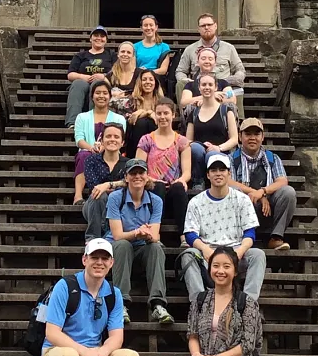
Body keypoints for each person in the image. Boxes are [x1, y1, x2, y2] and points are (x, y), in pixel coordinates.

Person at [180, 153, 267, 304]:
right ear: (208, 175)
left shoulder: (242, 199)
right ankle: (199, 303)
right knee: (188, 254)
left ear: (229, 173)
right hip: (208, 250)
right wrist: (205, 249)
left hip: (235, 249)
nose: (218, 173)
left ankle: (248, 303)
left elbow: (250, 233)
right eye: (213, 170)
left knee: (257, 255)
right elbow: (190, 234)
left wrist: (239, 252)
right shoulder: (196, 202)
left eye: (222, 169)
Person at [107, 158, 173, 324]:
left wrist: (148, 235)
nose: (137, 176)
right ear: (126, 177)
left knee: (156, 247)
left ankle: (158, 305)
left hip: (142, 251)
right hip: (120, 253)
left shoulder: (155, 201)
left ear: (147, 176)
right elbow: (117, 235)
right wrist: (137, 232)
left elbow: (155, 235)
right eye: (133, 173)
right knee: (122, 244)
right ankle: (121, 304)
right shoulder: (116, 198)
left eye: (141, 173)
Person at [229, 118, 296, 251]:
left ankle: (276, 238)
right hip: (245, 207)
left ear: (263, 137)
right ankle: (242, 239)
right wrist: (256, 194)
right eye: (248, 134)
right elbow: (229, 181)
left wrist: (262, 191)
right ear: (240, 137)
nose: (252, 138)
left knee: (288, 192)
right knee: (233, 190)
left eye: (256, 134)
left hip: (268, 210)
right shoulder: (232, 158)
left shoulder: (272, 158)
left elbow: (282, 181)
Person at [136, 98, 191, 246]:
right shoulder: (147, 139)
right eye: (159, 113)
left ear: (173, 115)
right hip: (152, 188)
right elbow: (139, 169)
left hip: (173, 190)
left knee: (179, 188)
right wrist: (150, 180)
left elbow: (187, 172)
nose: (162, 117)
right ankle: (155, 234)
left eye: (166, 113)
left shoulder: (182, 141)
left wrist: (181, 180)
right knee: (158, 186)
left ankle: (184, 237)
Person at [186, 72, 239, 191]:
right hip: (198, 153)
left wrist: (218, 148)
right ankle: (198, 181)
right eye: (203, 84)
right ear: (199, 88)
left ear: (216, 87)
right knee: (195, 148)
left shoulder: (226, 111)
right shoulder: (194, 113)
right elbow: (188, 141)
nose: (207, 87)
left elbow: (234, 139)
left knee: (212, 154)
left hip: (220, 153)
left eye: (210, 84)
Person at [175, 13, 246, 102]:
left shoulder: (229, 48)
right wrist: (187, 81)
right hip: (199, 88)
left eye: (209, 24)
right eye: (203, 25)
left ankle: (236, 116)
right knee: (180, 84)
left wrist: (231, 81)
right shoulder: (190, 49)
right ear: (198, 29)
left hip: (223, 88)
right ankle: (186, 115)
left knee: (236, 90)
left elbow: (240, 70)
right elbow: (180, 71)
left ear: (215, 26)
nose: (206, 27)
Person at [74, 80, 127, 195]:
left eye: (105, 93)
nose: (101, 96)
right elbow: (79, 140)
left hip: (110, 153)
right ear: (92, 96)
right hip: (88, 151)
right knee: (84, 155)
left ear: (110, 96)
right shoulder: (82, 117)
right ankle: (78, 195)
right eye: (98, 93)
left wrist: (104, 148)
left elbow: (119, 139)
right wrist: (91, 148)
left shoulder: (119, 119)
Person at [79, 122, 129, 241]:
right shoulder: (91, 161)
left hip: (118, 207)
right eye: (108, 136)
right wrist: (118, 185)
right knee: (99, 194)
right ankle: (93, 238)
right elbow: (94, 186)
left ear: (122, 142)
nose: (112, 139)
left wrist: (108, 185)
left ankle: (107, 234)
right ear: (102, 141)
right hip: (95, 205)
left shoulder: (128, 163)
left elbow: (131, 183)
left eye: (116, 137)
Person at [65, 26, 116, 128]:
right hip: (82, 83)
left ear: (106, 40)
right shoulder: (81, 55)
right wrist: (83, 77)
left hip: (102, 83)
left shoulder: (111, 55)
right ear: (90, 38)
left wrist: (104, 76)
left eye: (102, 36)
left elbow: (117, 72)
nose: (99, 38)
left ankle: (94, 121)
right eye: (96, 35)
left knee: (97, 84)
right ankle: (73, 122)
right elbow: (70, 75)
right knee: (78, 83)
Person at [179, 46, 239, 115]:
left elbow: (232, 100)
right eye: (203, 59)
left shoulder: (223, 83)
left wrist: (204, 101)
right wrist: (211, 96)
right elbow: (184, 102)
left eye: (210, 59)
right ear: (198, 62)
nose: (207, 61)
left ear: (215, 63)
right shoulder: (190, 85)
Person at [125, 69, 160, 154]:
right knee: (141, 123)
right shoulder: (131, 100)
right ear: (139, 83)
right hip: (133, 142)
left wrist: (141, 113)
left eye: (151, 79)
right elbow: (130, 120)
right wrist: (149, 113)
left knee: (151, 122)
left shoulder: (161, 102)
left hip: (157, 142)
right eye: (144, 79)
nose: (148, 82)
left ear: (155, 83)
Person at [134, 15, 171, 94]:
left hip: (157, 80)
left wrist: (147, 72)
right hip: (138, 79)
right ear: (141, 28)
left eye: (151, 25)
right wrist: (140, 72)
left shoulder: (164, 47)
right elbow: (132, 67)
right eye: (145, 25)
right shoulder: (135, 47)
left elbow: (163, 70)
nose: (148, 28)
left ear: (156, 27)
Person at [107, 41, 139, 117]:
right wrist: (112, 94)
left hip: (133, 112)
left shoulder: (139, 74)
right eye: (122, 52)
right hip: (113, 112)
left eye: (128, 52)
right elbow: (104, 93)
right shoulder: (110, 75)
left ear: (133, 55)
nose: (125, 54)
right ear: (118, 54)